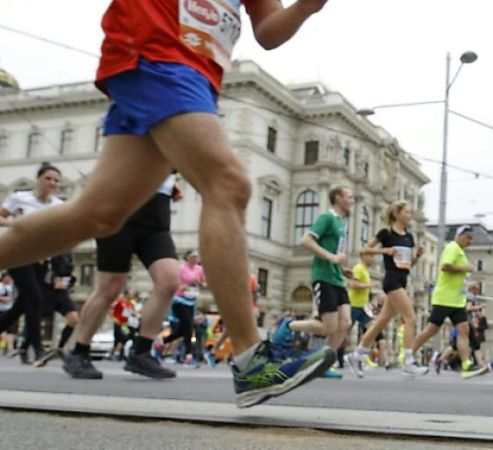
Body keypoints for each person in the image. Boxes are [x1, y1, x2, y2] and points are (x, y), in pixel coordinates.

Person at [0, 0, 335, 408]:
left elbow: (268, 30)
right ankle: (251, 362)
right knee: (229, 184)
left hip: (197, 74)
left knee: (98, 215)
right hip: (154, 51)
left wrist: (307, 7)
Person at [64, 175, 182, 380]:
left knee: (169, 281)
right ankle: (79, 351)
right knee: (110, 288)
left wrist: (168, 182)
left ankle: (141, 353)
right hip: (119, 212)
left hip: (156, 219)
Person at [347, 201, 429, 377]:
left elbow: (408, 264)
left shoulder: (409, 237)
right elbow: (365, 249)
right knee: (410, 317)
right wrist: (385, 251)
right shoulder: (386, 233)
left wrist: (418, 256)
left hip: (403, 278)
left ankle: (357, 355)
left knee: (380, 322)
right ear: (397, 214)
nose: (410, 215)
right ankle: (409, 361)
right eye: (407, 212)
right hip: (391, 281)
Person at [0, 163, 67, 364]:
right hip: (18, 253)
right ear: (38, 179)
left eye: (55, 180)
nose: (52, 183)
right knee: (35, 298)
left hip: (40, 258)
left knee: (23, 304)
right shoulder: (20, 198)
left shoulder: (58, 205)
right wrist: (17, 224)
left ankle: (26, 348)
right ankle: (37, 349)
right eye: (48, 178)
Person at [410, 225, 488, 379]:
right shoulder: (452, 247)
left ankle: (466, 365)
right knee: (431, 330)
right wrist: (466, 268)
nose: (470, 241)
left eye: (472, 238)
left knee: (464, 330)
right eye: (468, 238)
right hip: (444, 298)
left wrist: (466, 282)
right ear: (459, 236)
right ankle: (408, 354)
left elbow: (457, 274)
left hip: (457, 300)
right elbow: (445, 267)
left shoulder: (460, 251)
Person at [290, 186, 354, 355]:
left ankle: (324, 360)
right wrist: (330, 257)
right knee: (329, 328)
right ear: (338, 198)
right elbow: (306, 240)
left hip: (338, 278)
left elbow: (335, 251)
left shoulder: (342, 224)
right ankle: (289, 325)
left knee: (345, 323)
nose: (352, 200)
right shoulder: (327, 218)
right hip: (324, 277)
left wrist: (342, 268)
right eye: (349, 197)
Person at [162, 250, 206, 364]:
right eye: (193, 257)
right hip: (180, 300)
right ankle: (188, 353)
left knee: (184, 329)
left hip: (192, 300)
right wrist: (182, 287)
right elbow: (173, 282)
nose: (195, 259)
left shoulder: (199, 269)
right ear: (187, 257)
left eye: (196, 257)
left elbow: (204, 283)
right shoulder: (181, 268)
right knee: (189, 325)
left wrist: (199, 283)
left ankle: (163, 341)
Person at [0, 273, 16, 355]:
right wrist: (6, 299)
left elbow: (14, 297)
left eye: (9, 277)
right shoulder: (0, 286)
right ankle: (5, 346)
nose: (8, 279)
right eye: (7, 277)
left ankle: (10, 348)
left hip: (9, 310)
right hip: (1, 310)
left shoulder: (11, 287)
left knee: (10, 330)